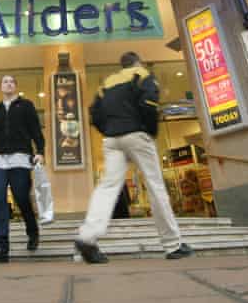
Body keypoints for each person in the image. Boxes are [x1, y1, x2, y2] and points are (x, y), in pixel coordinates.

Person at [76, 52, 193, 263]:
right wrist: (149, 131)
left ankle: (87, 237)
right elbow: (149, 103)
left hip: (112, 139)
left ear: (122, 66)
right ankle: (173, 245)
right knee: (155, 185)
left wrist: (109, 130)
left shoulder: (107, 83)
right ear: (137, 62)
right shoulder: (142, 74)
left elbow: (94, 113)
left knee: (108, 187)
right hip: (137, 134)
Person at [0, 75, 44, 264]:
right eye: (4, 82)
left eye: (11, 81)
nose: (8, 84)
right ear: (1, 87)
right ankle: (1, 247)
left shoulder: (26, 106)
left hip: (20, 158)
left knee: (21, 198)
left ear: (15, 86)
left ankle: (32, 232)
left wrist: (40, 151)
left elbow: (35, 130)